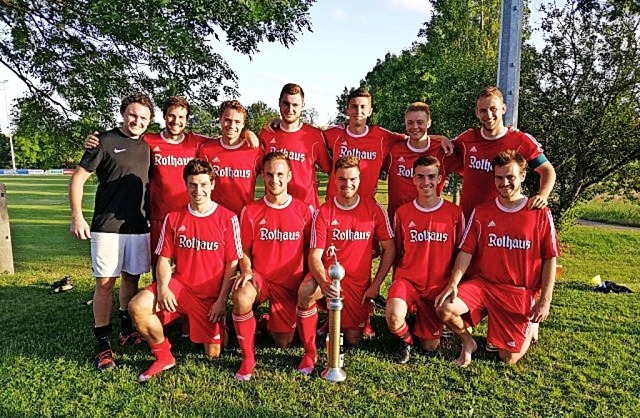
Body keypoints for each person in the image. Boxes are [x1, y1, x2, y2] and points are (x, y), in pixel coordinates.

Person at [83, 96, 258, 274]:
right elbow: (127, 136)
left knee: (191, 268)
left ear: (187, 120)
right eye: (171, 116)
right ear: (164, 117)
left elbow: (228, 135)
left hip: (191, 217)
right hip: (160, 217)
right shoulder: (149, 140)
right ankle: (159, 299)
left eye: (181, 117)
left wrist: (247, 133)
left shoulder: (197, 142)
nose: (176, 121)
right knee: (160, 268)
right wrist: (98, 140)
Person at [435, 150, 559, 367]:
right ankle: (468, 342)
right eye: (499, 178)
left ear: (522, 176)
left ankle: (529, 326)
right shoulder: (482, 211)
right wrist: (453, 283)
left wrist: (544, 301)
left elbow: (550, 258)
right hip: (484, 286)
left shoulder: (538, 212)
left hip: (518, 291)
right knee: (444, 307)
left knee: (508, 358)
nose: (504, 183)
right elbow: (466, 250)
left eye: (510, 177)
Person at [128, 158, 242, 382]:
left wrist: (221, 301)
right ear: (186, 184)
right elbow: (163, 259)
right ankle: (164, 356)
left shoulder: (228, 218)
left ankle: (221, 325)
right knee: (137, 306)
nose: (198, 190)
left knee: (214, 355)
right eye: (192, 184)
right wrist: (162, 288)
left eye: (203, 184)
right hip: (179, 287)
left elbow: (232, 264)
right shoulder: (174, 217)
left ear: (212, 184)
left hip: (209, 297)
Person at [69, 92, 154, 370]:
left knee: (131, 279)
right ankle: (103, 343)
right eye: (132, 115)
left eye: (143, 117)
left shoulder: (148, 146)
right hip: (107, 228)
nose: (137, 121)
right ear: (122, 113)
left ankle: (127, 330)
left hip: (139, 226)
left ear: (149, 120)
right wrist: (77, 216)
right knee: (105, 283)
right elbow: (79, 179)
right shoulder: (103, 141)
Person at [295, 156, 396, 375]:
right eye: (342, 179)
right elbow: (315, 255)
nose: (347, 184)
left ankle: (354, 316)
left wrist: (376, 285)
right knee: (305, 292)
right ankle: (310, 352)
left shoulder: (373, 209)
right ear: (334, 179)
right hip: (328, 280)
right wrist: (323, 282)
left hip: (358, 284)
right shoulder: (324, 212)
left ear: (359, 179)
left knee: (353, 339)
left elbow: (390, 249)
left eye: (352, 179)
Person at [231, 152, 314, 381]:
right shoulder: (250, 210)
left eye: (279, 174)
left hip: (290, 283)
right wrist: (247, 271)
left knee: (283, 341)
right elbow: (244, 250)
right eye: (269, 174)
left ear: (289, 176)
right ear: (262, 176)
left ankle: (266, 322)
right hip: (262, 279)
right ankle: (248, 359)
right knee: (241, 297)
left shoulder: (305, 211)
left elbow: (313, 250)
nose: (274, 179)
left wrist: (310, 280)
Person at [386, 155, 465, 363]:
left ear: (441, 180)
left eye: (431, 177)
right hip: (408, 282)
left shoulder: (454, 213)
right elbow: (399, 251)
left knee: (430, 346)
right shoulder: (403, 213)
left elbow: (461, 253)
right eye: (420, 177)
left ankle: (418, 320)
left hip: (437, 288)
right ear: (413, 179)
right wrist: (396, 286)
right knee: (394, 318)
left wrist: (454, 284)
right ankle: (406, 340)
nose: (426, 182)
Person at [453, 86, 556, 219]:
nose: (488, 115)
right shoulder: (466, 139)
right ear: (477, 113)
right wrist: (440, 138)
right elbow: (438, 153)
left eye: (493, 109)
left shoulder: (520, 140)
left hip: (504, 221)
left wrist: (543, 195)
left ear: (503, 109)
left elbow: (547, 170)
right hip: (469, 218)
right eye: (483, 110)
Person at [259, 83, 332, 208]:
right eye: (286, 103)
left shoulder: (314, 135)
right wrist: (246, 133)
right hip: (275, 207)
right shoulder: (267, 133)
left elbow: (332, 170)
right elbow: (252, 164)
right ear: (279, 103)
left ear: (303, 106)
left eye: (295, 105)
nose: (290, 109)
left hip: (306, 208)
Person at [386, 102, 463, 221]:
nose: (415, 127)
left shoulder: (442, 150)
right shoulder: (393, 150)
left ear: (429, 123)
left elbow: (471, 172)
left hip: (430, 224)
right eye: (410, 122)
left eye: (420, 122)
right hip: (398, 222)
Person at [197, 100, 264, 215]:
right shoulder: (207, 150)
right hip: (215, 218)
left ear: (243, 124)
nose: (232, 126)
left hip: (244, 218)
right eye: (228, 120)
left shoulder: (255, 150)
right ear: (220, 120)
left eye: (237, 122)